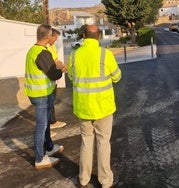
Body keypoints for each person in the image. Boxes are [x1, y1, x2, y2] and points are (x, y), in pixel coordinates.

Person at [67, 25, 121, 188]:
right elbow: (117, 76)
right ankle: (105, 180)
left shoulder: (75, 55)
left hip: (83, 108)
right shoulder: (106, 54)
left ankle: (83, 178)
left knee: (86, 141)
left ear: (84, 36)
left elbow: (71, 76)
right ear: (98, 37)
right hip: (103, 107)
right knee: (103, 142)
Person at [24, 24, 65, 169]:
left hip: (40, 93)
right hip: (41, 95)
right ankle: (40, 158)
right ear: (48, 36)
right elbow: (53, 73)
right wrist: (61, 69)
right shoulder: (42, 53)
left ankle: (49, 147)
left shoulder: (33, 50)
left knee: (46, 122)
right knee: (41, 126)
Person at [47, 28, 67, 130]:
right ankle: (49, 125)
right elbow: (51, 63)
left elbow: (55, 60)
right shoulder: (45, 48)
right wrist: (61, 69)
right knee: (47, 103)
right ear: (49, 36)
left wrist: (62, 65)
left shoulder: (52, 46)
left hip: (52, 80)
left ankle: (52, 122)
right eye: (55, 37)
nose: (56, 40)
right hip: (46, 80)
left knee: (51, 101)